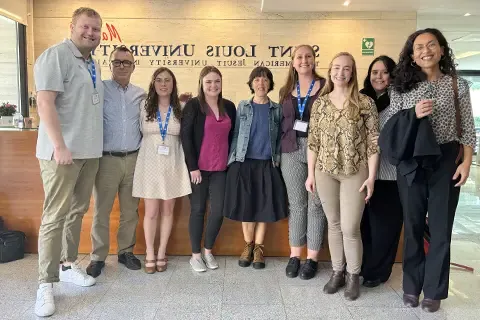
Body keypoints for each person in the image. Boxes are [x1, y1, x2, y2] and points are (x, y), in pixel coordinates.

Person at [383, 28, 476, 313]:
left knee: (440, 229)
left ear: (442, 50)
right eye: (419, 47)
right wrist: (413, 114)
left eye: (431, 45)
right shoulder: (400, 86)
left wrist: (467, 162)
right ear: (411, 56)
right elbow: (391, 125)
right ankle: (411, 287)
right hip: (411, 161)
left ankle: (434, 291)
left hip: (446, 159)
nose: (426, 50)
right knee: (411, 227)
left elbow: (468, 129)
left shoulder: (457, 85)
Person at [33, 7, 103, 317]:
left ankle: (67, 265)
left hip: (88, 153)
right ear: (72, 26)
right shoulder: (56, 55)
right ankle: (45, 285)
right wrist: (59, 145)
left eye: (96, 29)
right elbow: (44, 102)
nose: (91, 33)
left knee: (77, 211)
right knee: (55, 215)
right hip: (62, 153)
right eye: (86, 27)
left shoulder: (92, 64)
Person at [306, 52, 379, 301]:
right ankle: (337, 272)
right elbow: (313, 141)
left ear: (352, 72)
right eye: (336, 67)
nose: (340, 72)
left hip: (355, 171)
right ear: (330, 71)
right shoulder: (320, 103)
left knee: (350, 227)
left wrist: (371, 176)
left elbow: (373, 142)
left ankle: (353, 275)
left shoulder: (365, 102)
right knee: (334, 224)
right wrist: (310, 174)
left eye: (346, 68)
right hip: (324, 171)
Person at [86, 46, 145, 278]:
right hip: (106, 160)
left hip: (133, 159)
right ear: (110, 65)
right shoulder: (98, 89)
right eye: (117, 62)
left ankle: (125, 252)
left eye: (126, 63)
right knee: (101, 211)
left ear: (133, 66)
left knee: (130, 212)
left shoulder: (141, 94)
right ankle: (97, 257)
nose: (122, 66)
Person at [224, 67, 288, 269]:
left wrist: (277, 160)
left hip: (267, 163)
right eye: (257, 80)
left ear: (270, 84)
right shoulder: (242, 106)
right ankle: (248, 245)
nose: (261, 83)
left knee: (263, 207)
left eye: (265, 80)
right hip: (244, 162)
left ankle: (259, 249)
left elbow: (279, 138)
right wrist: (232, 160)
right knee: (246, 207)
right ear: (251, 83)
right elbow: (235, 135)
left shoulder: (277, 109)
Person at [132, 67, 191, 273]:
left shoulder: (182, 107)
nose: (163, 84)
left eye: (167, 80)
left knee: (168, 211)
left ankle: (161, 252)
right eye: (159, 80)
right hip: (149, 162)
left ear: (173, 84)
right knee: (151, 212)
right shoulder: (144, 105)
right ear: (153, 84)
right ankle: (149, 252)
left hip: (173, 162)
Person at [180, 66, 236, 272]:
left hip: (221, 168)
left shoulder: (229, 106)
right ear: (202, 84)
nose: (213, 85)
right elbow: (185, 137)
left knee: (218, 210)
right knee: (198, 210)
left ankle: (208, 251)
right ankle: (195, 256)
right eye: (208, 82)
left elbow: (232, 137)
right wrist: (192, 167)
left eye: (217, 81)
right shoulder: (194, 106)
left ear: (221, 83)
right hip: (198, 170)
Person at [278, 44, 327, 280]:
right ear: (293, 62)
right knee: (297, 205)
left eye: (308, 56)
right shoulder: (287, 89)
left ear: (314, 59)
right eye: (299, 57)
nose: (304, 60)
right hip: (291, 150)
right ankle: (295, 255)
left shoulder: (326, 87)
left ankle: (312, 258)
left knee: (316, 204)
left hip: (318, 151)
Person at [359, 55, 403, 288]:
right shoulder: (361, 97)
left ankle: (379, 271)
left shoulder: (399, 98)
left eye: (384, 72)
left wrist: (384, 139)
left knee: (385, 226)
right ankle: (364, 267)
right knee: (364, 224)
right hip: (363, 173)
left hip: (390, 174)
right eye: (374, 72)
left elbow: (405, 131)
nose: (379, 77)